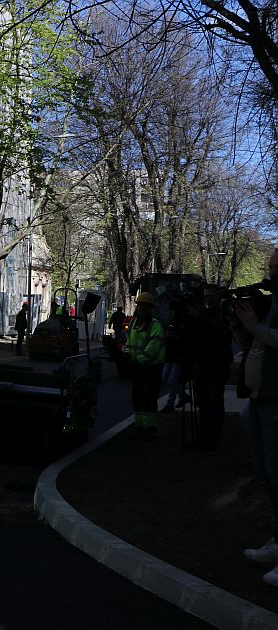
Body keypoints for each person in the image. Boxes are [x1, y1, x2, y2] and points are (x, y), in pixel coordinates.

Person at [233, 248, 278, 586]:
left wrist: (254, 326)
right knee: (269, 476)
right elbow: (256, 343)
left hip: (276, 402)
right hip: (261, 400)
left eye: (277, 267)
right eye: (271, 266)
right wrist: (242, 327)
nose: (271, 272)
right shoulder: (273, 303)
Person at [193, 285, 233, 450]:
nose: (207, 300)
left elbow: (222, 333)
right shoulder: (204, 313)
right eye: (205, 297)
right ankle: (204, 433)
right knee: (202, 401)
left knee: (214, 400)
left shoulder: (223, 313)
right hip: (202, 363)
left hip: (217, 363)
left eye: (210, 297)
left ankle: (213, 435)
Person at [123, 292, 165, 440]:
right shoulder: (134, 323)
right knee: (137, 398)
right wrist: (126, 354)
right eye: (139, 305)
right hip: (139, 368)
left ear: (150, 308)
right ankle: (140, 426)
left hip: (152, 368)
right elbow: (129, 343)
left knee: (149, 398)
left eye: (144, 306)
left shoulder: (155, 326)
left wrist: (137, 361)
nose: (140, 309)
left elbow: (152, 349)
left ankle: (150, 427)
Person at [160, 301, 191, 413]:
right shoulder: (171, 322)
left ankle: (170, 403)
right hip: (170, 354)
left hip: (178, 356)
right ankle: (183, 395)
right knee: (165, 377)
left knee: (172, 380)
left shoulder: (183, 322)